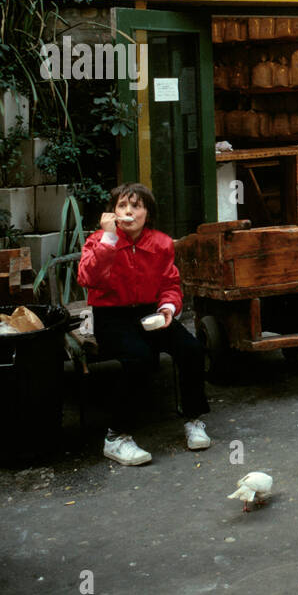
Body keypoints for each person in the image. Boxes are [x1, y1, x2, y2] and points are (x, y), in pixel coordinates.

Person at [77, 182, 211, 465]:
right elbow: (89, 279)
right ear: (112, 213)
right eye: (122, 206)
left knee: (191, 349)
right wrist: (109, 240)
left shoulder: (161, 243)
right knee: (140, 358)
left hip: (151, 313)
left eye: (136, 206)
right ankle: (115, 437)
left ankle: (193, 418)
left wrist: (167, 309)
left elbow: (170, 283)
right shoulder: (99, 240)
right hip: (111, 315)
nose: (129, 212)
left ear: (147, 214)